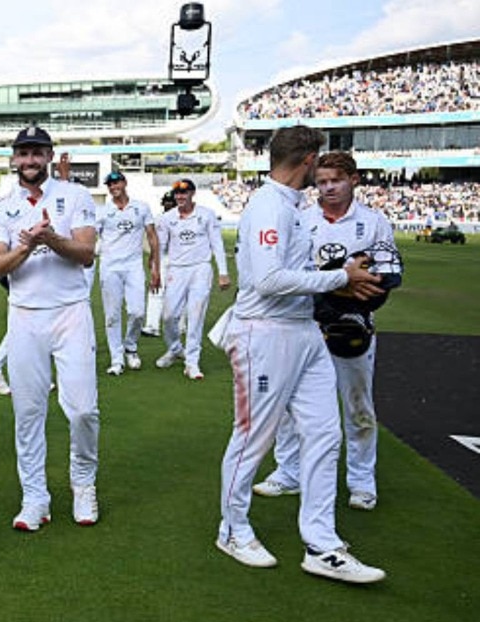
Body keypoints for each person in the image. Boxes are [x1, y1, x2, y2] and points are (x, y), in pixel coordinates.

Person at [216, 124, 387, 584]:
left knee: (325, 435)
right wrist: (341, 278)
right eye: (319, 163)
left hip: (304, 330)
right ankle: (232, 530)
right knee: (253, 437)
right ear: (308, 160)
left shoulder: (290, 206)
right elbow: (268, 280)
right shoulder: (269, 205)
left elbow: (293, 271)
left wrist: (337, 277)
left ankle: (322, 544)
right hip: (263, 334)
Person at [253, 151, 399, 511]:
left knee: (358, 406)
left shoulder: (374, 222)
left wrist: (352, 293)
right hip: (304, 323)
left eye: (336, 180)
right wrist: (341, 282)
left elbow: (388, 275)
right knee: (290, 404)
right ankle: (289, 472)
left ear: (354, 180)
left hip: (353, 326)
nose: (328, 187)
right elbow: (291, 275)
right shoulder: (301, 219)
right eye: (321, 181)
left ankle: (361, 481)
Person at [0, 125, 99, 531]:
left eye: (37, 153)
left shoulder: (75, 195)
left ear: (50, 156)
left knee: (83, 410)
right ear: (14, 159)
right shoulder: (1, 208)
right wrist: (28, 245)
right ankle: (35, 497)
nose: (30, 160)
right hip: (25, 315)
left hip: (71, 312)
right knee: (28, 412)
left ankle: (83, 483)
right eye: (24, 153)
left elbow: (86, 253)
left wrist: (52, 238)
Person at [153, 179, 230, 380]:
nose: (180, 196)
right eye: (177, 193)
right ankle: (175, 348)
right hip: (176, 270)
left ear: (192, 193)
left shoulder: (206, 215)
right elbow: (160, 248)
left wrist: (223, 272)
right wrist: (156, 272)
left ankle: (192, 362)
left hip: (201, 269)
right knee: (168, 316)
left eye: (184, 192)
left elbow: (217, 244)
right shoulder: (167, 218)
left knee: (196, 315)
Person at [95, 171, 160, 375]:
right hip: (110, 266)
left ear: (124, 183)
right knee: (112, 315)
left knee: (137, 311)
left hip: (133, 266)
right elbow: (91, 236)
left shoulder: (141, 207)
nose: (114, 187)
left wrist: (155, 267)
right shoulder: (103, 211)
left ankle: (130, 346)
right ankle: (117, 359)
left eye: (117, 183)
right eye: (110, 184)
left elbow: (152, 236)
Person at [142, 190, 177, 337]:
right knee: (155, 290)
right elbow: (154, 242)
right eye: (166, 202)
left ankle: (178, 325)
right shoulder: (158, 219)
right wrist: (152, 258)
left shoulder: (184, 218)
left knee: (177, 293)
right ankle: (152, 325)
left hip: (178, 260)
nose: (168, 204)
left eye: (171, 202)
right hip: (161, 258)